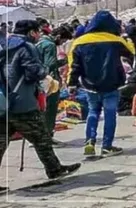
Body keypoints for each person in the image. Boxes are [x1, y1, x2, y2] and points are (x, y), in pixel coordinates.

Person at [0, 20, 81, 188]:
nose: (38, 35)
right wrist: (45, 74)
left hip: (3, 103)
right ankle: (54, 169)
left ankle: (54, 168)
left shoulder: (3, 45)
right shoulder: (26, 47)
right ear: (31, 32)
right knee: (41, 138)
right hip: (23, 102)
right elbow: (34, 72)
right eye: (37, 32)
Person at [68, 10, 135, 158]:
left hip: (90, 85)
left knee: (93, 112)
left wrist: (71, 83)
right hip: (112, 84)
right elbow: (131, 53)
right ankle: (107, 146)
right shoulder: (116, 40)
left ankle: (89, 141)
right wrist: (125, 37)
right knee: (110, 114)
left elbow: (74, 65)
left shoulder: (79, 42)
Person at [36, 25, 68, 142]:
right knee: (50, 110)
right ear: (58, 36)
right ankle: (48, 136)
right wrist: (63, 62)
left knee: (41, 110)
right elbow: (50, 65)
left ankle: (39, 137)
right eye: (63, 40)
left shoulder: (40, 42)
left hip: (38, 80)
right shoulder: (50, 45)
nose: (62, 43)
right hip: (49, 81)